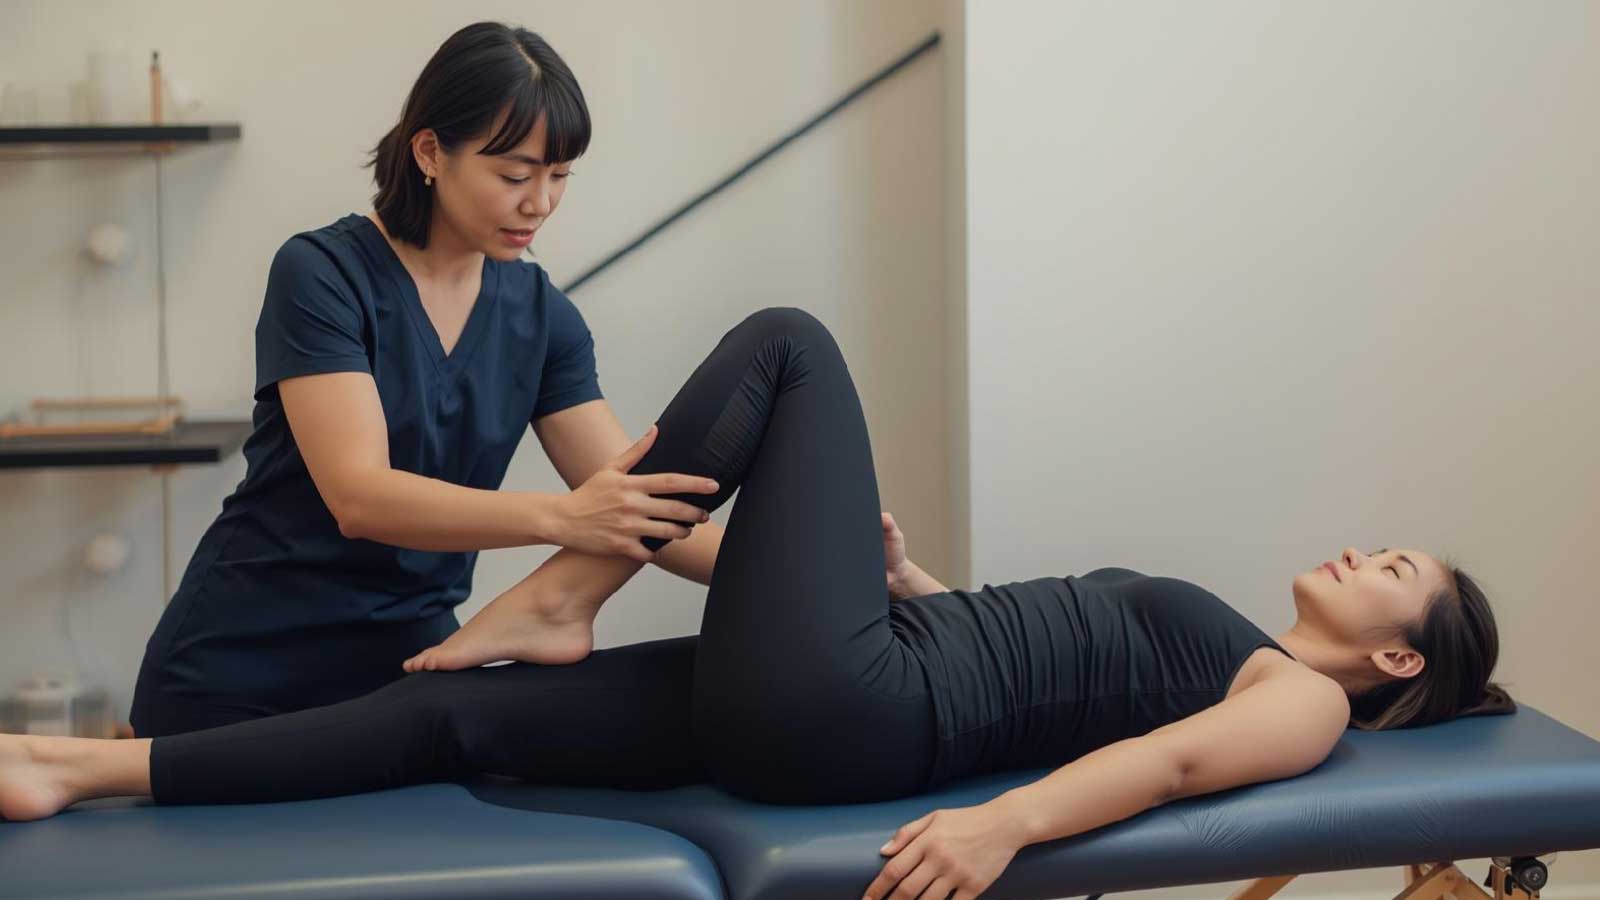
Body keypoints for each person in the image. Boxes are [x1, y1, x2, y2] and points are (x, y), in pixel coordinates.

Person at [2, 307, 1513, 900]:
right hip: (875, 665)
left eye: (1396, 569)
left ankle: (566, 589)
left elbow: (1168, 768)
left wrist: (1005, 828)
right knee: (450, 712)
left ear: (1395, 656)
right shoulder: (1241, 650)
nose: (1363, 548)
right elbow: (1042, 666)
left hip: (857, 713)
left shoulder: (1304, 697)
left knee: (792, 345)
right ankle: (81, 763)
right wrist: (913, 581)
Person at [129, 21, 724, 737]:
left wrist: (833, 578)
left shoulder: (544, 319)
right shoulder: (323, 274)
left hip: (409, 671)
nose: (540, 203)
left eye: (560, 175)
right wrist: (562, 517)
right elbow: (360, 497)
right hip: (238, 669)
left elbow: (638, 511)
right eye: (514, 175)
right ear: (430, 152)